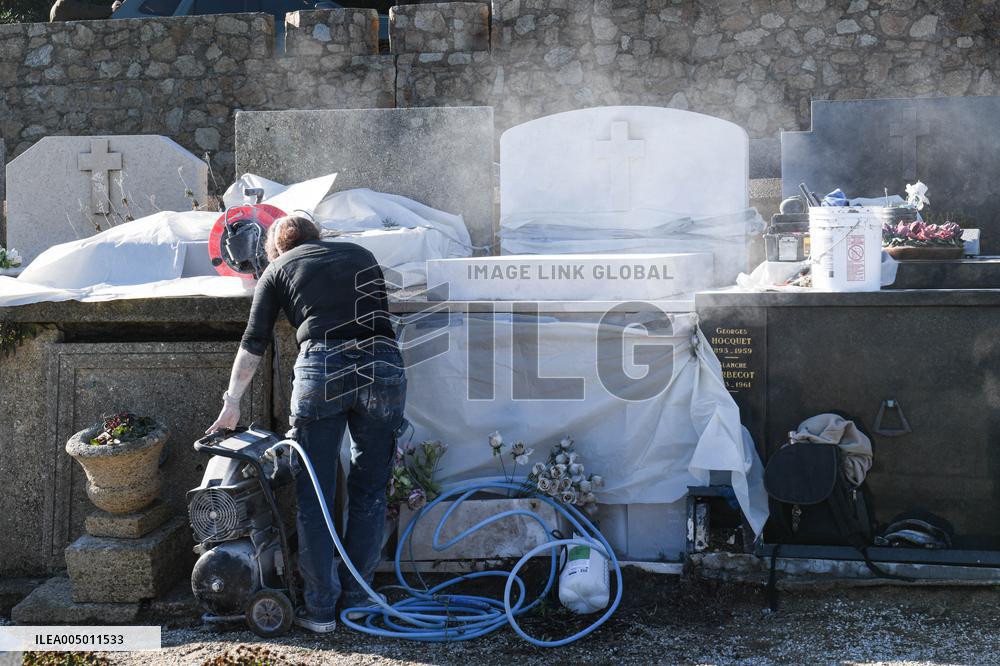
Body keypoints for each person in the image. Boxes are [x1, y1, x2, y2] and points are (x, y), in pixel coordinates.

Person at [206, 215, 405, 634]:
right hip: (383, 366)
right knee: (369, 490)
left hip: (324, 367)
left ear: (275, 249)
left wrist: (231, 404)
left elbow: (253, 341)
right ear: (320, 237)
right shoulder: (361, 254)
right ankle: (359, 600)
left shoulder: (278, 269)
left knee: (313, 491)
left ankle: (320, 611)